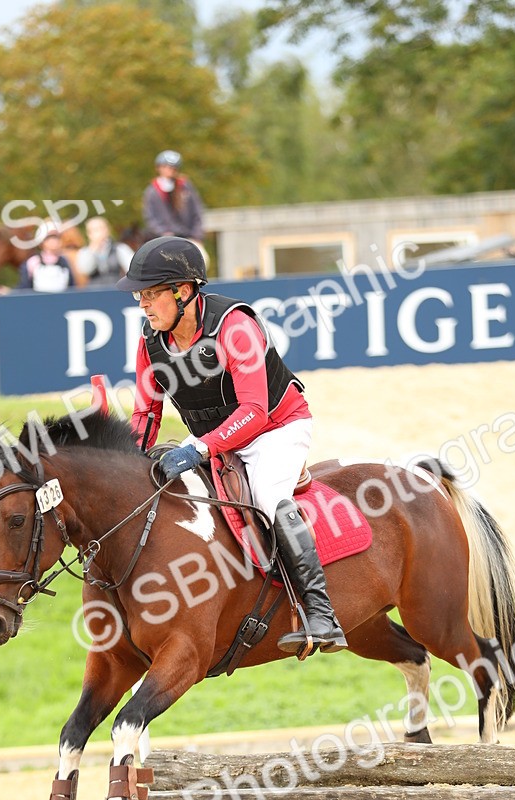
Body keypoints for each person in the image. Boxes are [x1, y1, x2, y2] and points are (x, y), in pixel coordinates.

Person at [116, 235, 347, 654]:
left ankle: (321, 614)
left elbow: (255, 410)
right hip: (213, 435)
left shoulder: (234, 326)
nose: (143, 305)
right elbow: (145, 414)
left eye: (151, 294)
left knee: (269, 497)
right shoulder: (151, 343)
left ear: (183, 291)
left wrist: (200, 450)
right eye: (139, 296)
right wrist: (127, 462)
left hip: (275, 428)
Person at [142, 150, 206, 250]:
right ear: (159, 168)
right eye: (166, 167)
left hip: (187, 236)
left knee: (201, 257)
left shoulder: (185, 187)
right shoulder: (152, 192)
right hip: (162, 238)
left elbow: (197, 211)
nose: (170, 170)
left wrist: (196, 235)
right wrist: (163, 232)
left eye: (173, 168)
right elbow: (150, 218)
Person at [16, 227, 76, 292]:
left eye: (56, 238)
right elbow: (24, 287)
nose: (54, 241)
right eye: (50, 238)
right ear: (42, 242)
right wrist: (10, 292)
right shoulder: (33, 262)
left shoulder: (65, 261)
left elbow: (71, 286)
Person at [76, 216, 130, 287]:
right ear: (89, 234)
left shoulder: (119, 248)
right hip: (94, 291)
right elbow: (85, 270)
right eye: (94, 230)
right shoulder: (84, 252)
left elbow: (132, 268)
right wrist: (93, 249)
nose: (99, 232)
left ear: (107, 230)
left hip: (115, 289)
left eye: (101, 228)